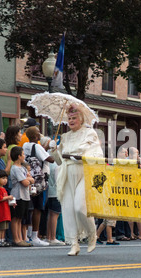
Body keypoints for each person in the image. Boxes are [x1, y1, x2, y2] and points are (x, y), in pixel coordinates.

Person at [50, 104, 103, 256]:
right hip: (67, 174)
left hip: (84, 173)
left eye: (74, 118)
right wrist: (54, 150)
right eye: (69, 118)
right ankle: (74, 243)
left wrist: (81, 158)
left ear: (81, 119)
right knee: (68, 209)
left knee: (80, 207)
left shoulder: (89, 133)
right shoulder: (65, 137)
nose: (71, 121)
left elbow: (97, 155)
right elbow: (59, 161)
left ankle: (92, 234)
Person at [23, 126, 54, 246]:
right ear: (36, 136)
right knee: (37, 208)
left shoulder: (25, 146)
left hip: (29, 178)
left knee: (29, 208)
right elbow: (50, 159)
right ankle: (35, 236)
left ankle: (27, 234)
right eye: (38, 133)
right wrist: (53, 150)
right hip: (39, 181)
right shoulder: (37, 146)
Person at [10, 146, 35, 247]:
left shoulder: (23, 168)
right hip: (18, 195)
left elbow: (31, 179)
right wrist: (28, 179)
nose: (24, 156)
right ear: (19, 156)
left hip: (25, 195)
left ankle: (20, 238)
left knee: (20, 218)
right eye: (23, 154)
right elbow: (25, 182)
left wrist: (28, 179)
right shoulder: (15, 168)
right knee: (16, 218)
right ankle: (16, 239)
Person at [45, 159, 65, 246]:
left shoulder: (49, 164)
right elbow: (58, 181)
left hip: (49, 191)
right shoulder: (57, 166)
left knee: (50, 214)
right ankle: (52, 237)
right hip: (56, 192)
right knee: (55, 215)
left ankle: (49, 237)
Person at [0, 170, 13, 247]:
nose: (5, 180)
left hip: (5, 211)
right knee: (0, 227)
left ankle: (2, 239)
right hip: (0, 211)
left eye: (6, 178)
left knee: (4, 227)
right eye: (3, 178)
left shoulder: (4, 189)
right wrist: (8, 197)